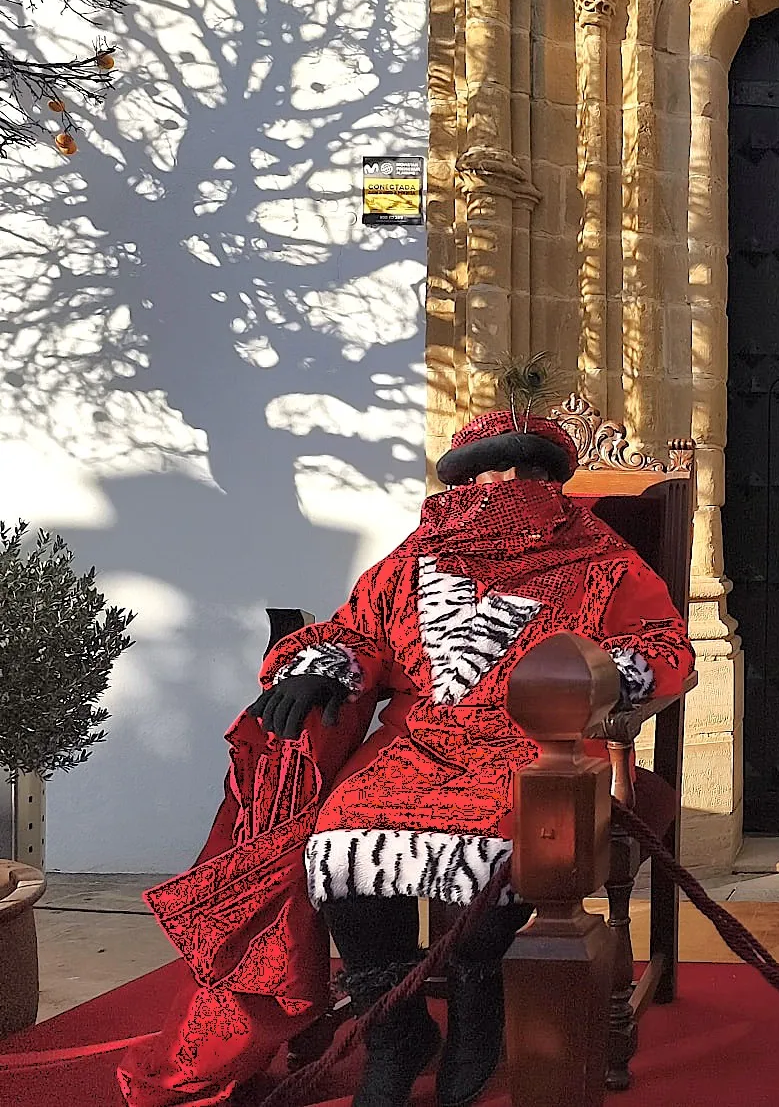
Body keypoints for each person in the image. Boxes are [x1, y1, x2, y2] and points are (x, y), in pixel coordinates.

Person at [120, 400, 695, 1107]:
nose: (503, 487)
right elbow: (359, 632)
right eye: (487, 473)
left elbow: (663, 646)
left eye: (523, 472)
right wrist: (322, 667)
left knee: (508, 836)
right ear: (464, 480)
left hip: (534, 746)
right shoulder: (415, 556)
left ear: (551, 480)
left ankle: (479, 1004)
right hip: (415, 742)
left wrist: (603, 678)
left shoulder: (600, 559)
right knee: (339, 833)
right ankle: (395, 1028)